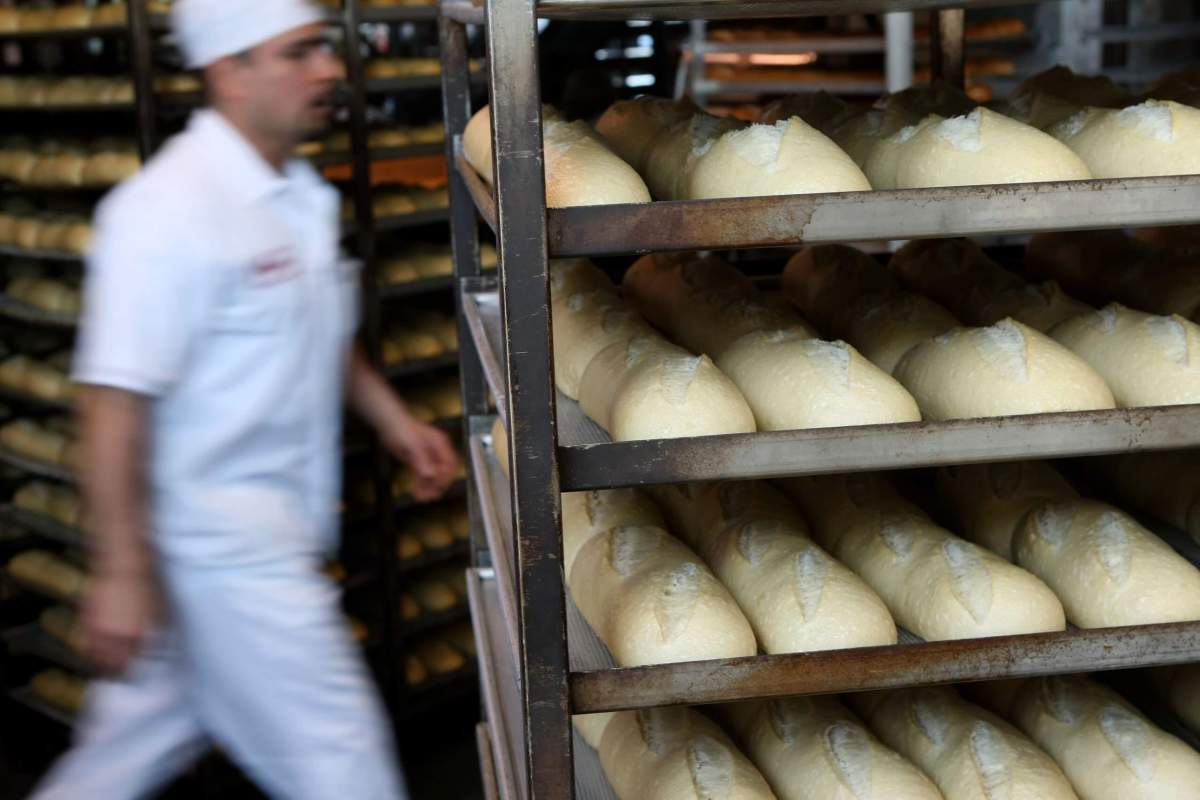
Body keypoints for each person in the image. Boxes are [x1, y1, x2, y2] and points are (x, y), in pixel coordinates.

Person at [30, 0, 459, 797]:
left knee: (110, 771)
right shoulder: (163, 214)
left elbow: (316, 333)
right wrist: (119, 570)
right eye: (299, 53)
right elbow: (111, 399)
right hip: (225, 557)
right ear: (229, 71)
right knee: (348, 773)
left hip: (242, 552)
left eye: (323, 48)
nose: (329, 68)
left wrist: (396, 422)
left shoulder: (297, 195)